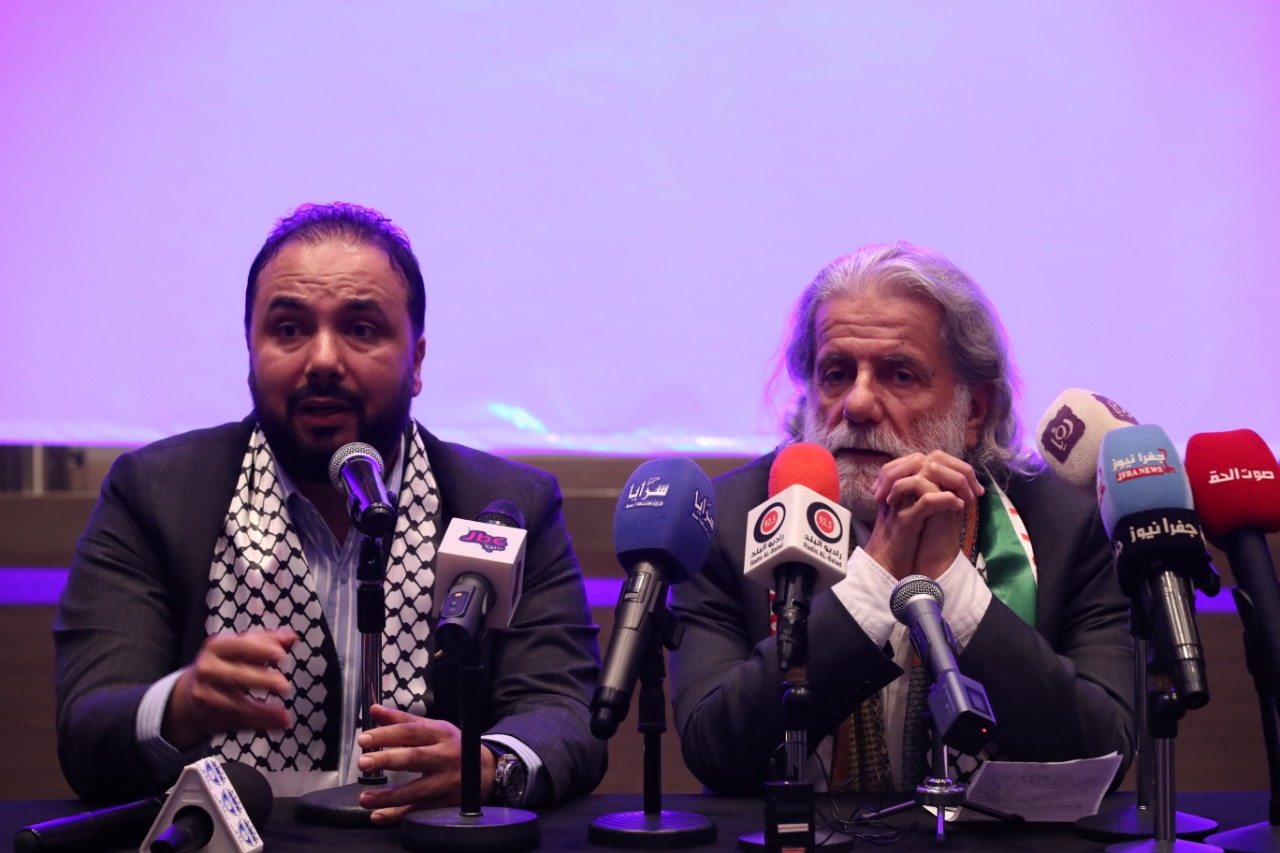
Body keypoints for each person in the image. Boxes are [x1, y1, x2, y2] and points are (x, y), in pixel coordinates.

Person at [54, 202, 606, 821]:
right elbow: (87, 727)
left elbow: (562, 710)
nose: (321, 360)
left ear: (417, 362)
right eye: (289, 329)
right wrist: (177, 706)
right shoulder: (157, 494)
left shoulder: (505, 507)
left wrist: (490, 765)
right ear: (250, 350)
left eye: (361, 330)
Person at [669, 241, 1134, 795]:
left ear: (974, 410)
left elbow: (1104, 751)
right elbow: (718, 751)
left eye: (900, 375)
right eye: (836, 373)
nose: (858, 404)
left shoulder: (1063, 524)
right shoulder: (732, 519)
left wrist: (949, 582)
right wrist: (877, 575)